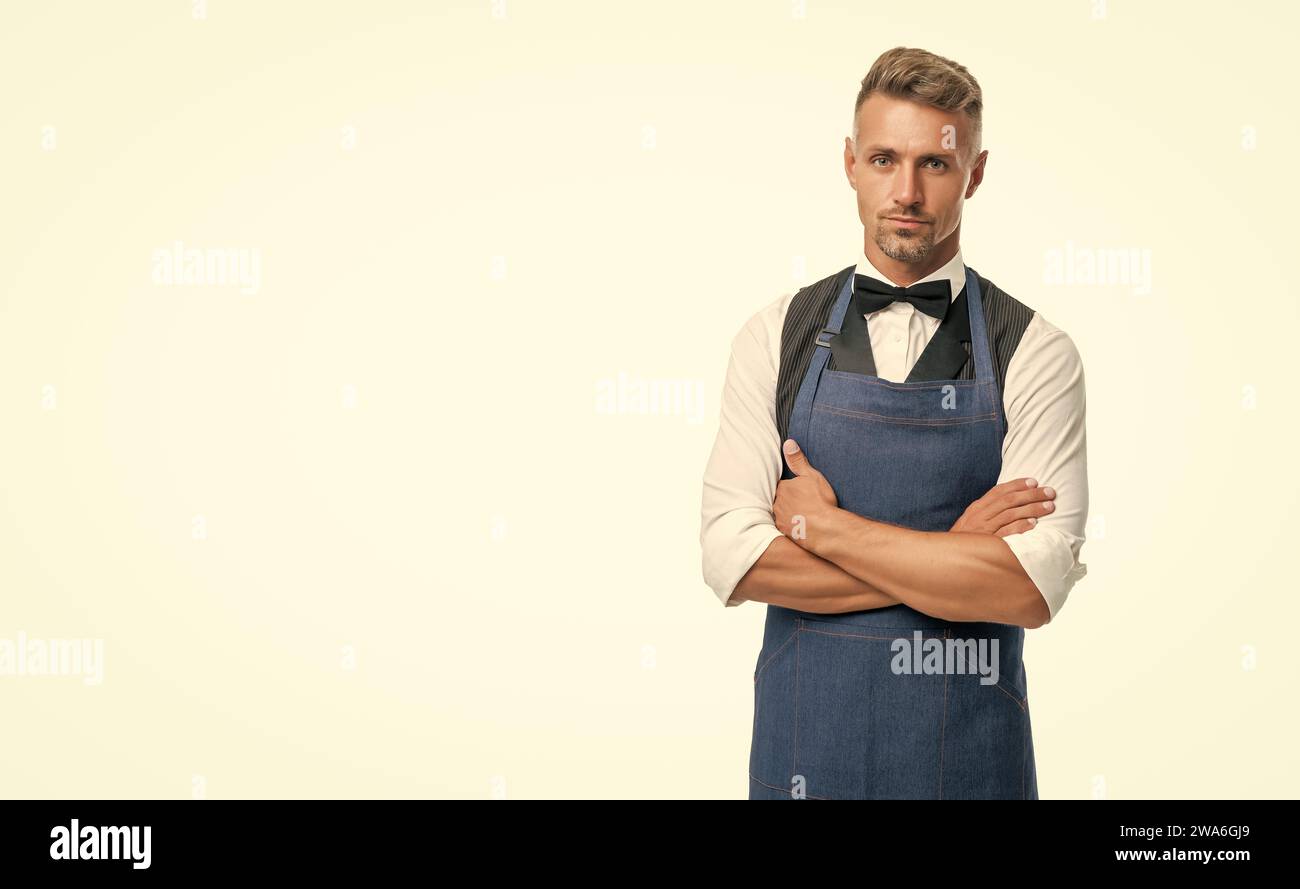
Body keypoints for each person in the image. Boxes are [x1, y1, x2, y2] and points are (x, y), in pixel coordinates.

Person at [698, 46, 1089, 800]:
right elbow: (733, 560)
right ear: (850, 162)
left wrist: (826, 528)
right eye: (884, 159)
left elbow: (1028, 588)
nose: (905, 191)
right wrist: (952, 556)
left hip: (972, 765)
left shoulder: (1037, 351)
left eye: (934, 165)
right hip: (801, 753)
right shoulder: (775, 333)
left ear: (974, 172)